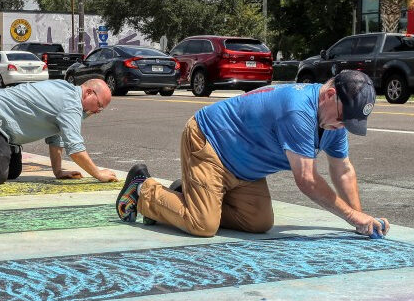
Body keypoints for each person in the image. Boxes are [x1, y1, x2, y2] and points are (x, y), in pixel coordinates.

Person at [115, 70, 390, 238]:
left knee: (259, 223)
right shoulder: (298, 110)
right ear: (330, 95)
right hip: (210, 142)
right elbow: (306, 180)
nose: (342, 126)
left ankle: (186, 196)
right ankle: (144, 191)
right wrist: (352, 217)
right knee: (203, 225)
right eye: (343, 118)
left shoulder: (334, 121)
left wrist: (361, 218)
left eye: (349, 122)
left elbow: (343, 169)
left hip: (244, 169)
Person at [0, 78, 118, 185]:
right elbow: (75, 149)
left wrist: (58, 171)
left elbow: (56, 138)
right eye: (99, 105)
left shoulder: (67, 92)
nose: (98, 111)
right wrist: (98, 174)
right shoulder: (71, 104)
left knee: (12, 171)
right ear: (88, 93)